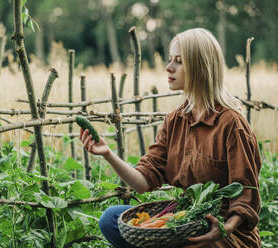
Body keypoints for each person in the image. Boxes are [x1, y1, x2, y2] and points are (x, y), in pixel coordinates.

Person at [79, 28, 261, 248]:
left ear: (200, 67)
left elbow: (245, 196)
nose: (168, 67)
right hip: (187, 220)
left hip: (222, 232)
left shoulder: (231, 124)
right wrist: (107, 153)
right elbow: (143, 182)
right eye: (169, 59)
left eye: (179, 61)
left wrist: (223, 229)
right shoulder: (175, 120)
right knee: (111, 220)